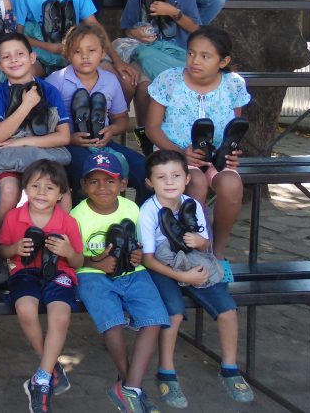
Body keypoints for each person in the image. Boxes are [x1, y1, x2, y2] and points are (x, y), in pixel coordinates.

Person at [139, 150, 254, 407]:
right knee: (173, 313)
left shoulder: (193, 206)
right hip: (163, 267)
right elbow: (148, 260)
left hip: (194, 261)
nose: (170, 182)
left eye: (176, 176)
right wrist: (181, 275)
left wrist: (201, 242)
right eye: (161, 177)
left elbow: (206, 247)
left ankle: (230, 368)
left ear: (187, 178)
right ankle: (166, 372)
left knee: (228, 309)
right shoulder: (148, 211)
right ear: (149, 182)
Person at [70, 153, 168, 413]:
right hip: (92, 275)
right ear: (83, 186)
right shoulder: (76, 216)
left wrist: (136, 255)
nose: (102, 187)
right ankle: (130, 387)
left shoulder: (132, 209)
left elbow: (139, 246)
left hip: (133, 273)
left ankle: (130, 388)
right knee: (112, 324)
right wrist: (95, 263)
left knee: (154, 320)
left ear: (123, 184)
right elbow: (73, 258)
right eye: (94, 181)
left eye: (110, 181)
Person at [144, 27, 249, 259]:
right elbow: (152, 127)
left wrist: (232, 153)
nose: (195, 61)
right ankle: (194, 249)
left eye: (205, 56)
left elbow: (234, 129)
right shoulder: (170, 80)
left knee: (231, 185)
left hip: (215, 158)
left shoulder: (233, 85)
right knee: (196, 182)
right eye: (191, 53)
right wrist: (180, 152)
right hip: (173, 155)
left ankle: (217, 252)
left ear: (223, 61)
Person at [0, 160, 83, 413]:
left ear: (61, 194)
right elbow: (1, 250)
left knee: (60, 316)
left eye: (50, 188)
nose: (41, 193)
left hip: (60, 273)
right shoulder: (14, 217)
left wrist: (67, 251)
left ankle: (41, 380)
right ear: (25, 189)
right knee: (25, 309)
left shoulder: (67, 222)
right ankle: (51, 365)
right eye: (35, 186)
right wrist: (14, 249)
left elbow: (78, 261)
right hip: (25, 273)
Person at [45, 24, 149, 203]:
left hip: (103, 144)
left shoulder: (110, 80)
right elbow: (44, 123)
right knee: (89, 170)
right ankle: (84, 216)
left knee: (146, 169)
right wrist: (69, 138)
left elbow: (121, 119)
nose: (85, 56)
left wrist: (112, 130)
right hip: (68, 145)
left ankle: (138, 215)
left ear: (102, 53)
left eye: (92, 50)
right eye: (77, 51)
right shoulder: (56, 81)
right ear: (67, 54)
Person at [0, 33, 72, 226]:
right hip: (11, 158)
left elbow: (64, 136)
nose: (14, 60)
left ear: (32, 57)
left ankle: (59, 238)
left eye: (20, 54)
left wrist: (22, 141)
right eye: (6, 56)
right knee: (9, 192)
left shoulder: (49, 90)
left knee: (63, 196)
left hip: (42, 154)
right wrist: (26, 104)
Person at [120, 0, 202, 117]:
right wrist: (136, 33)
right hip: (145, 55)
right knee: (144, 88)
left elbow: (196, 29)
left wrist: (174, 13)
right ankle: (144, 132)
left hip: (177, 55)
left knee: (158, 84)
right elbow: (127, 29)